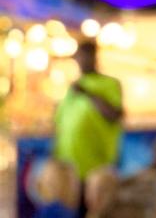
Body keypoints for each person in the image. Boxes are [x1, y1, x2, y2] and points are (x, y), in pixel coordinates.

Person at [53, 40, 123, 212]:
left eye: (86, 55)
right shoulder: (74, 87)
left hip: (96, 168)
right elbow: (60, 122)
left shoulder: (109, 84)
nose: (82, 60)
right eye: (79, 56)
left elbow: (115, 115)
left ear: (94, 57)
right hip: (69, 168)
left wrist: (88, 94)